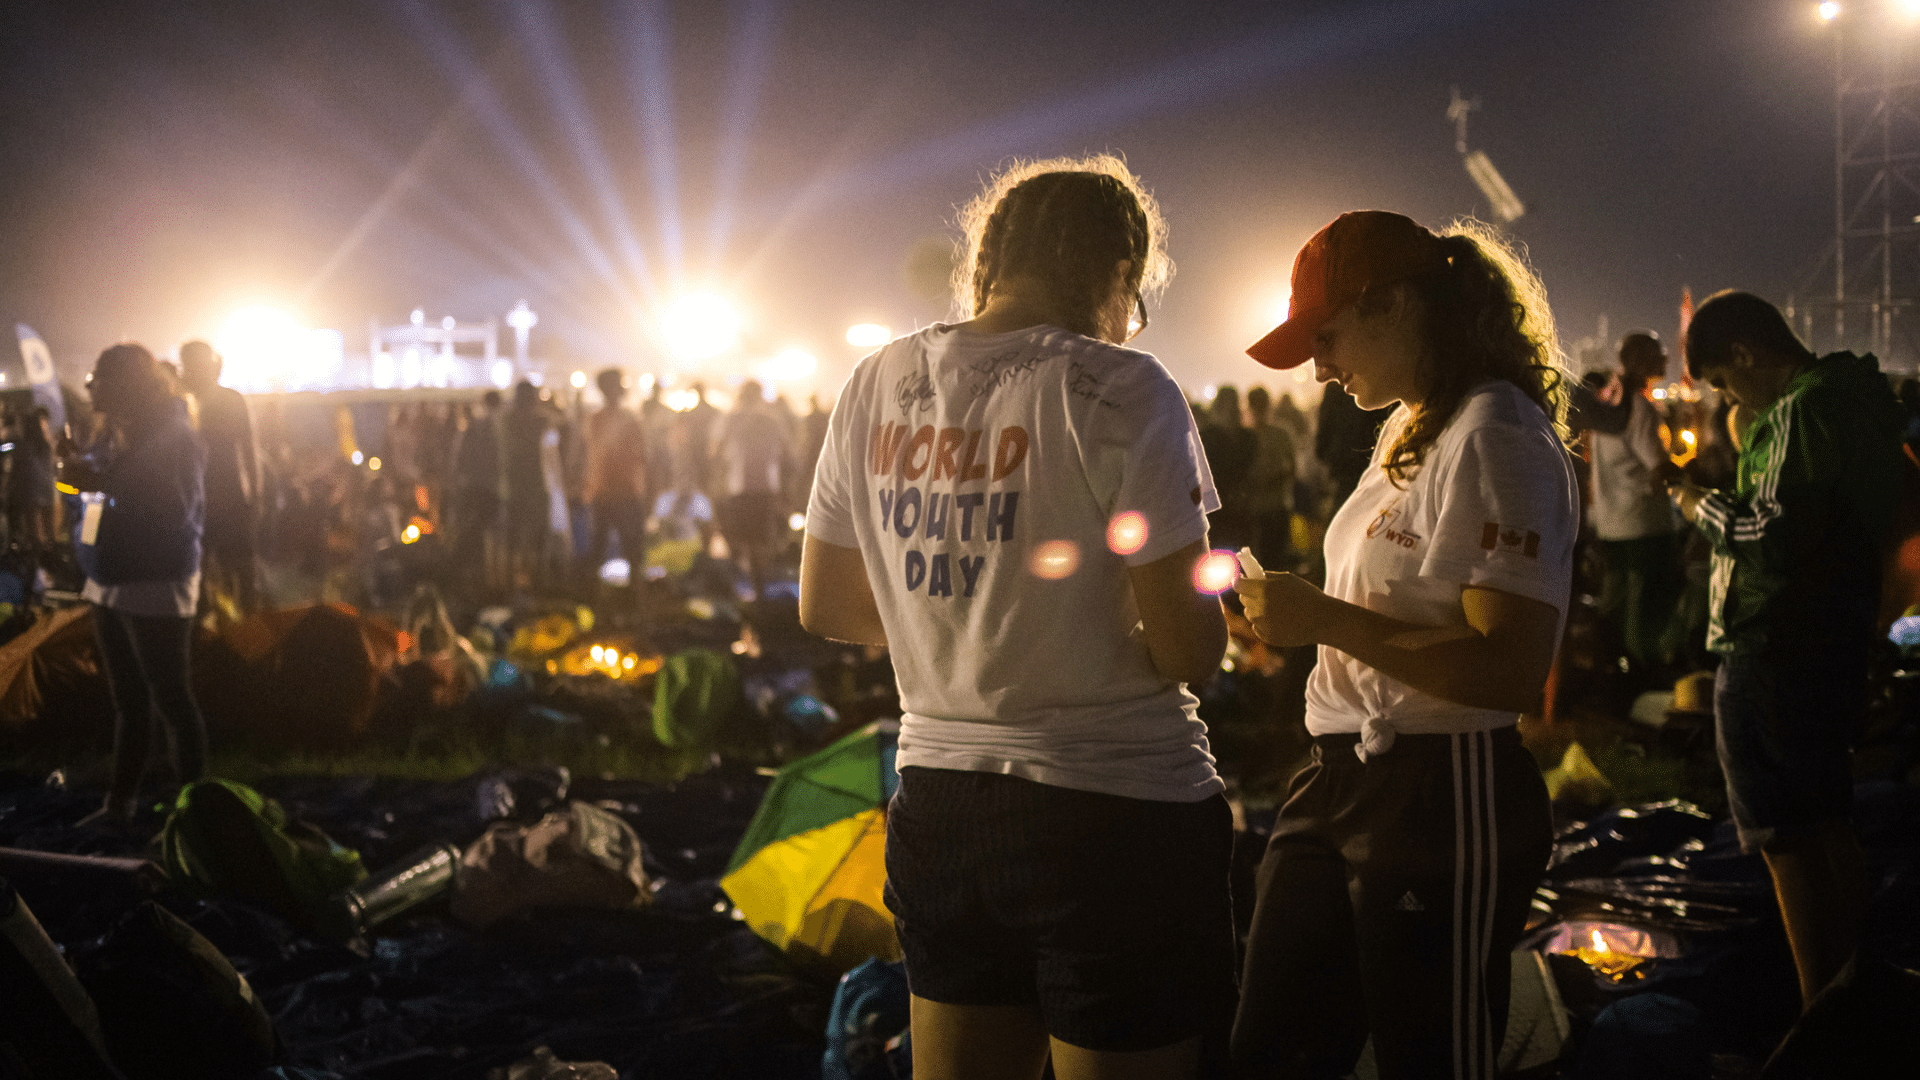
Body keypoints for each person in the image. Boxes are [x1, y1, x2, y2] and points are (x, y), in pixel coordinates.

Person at [800, 156, 1233, 1080]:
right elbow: (1189, 647)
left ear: (992, 258)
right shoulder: (1121, 387)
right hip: (1117, 809)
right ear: (1117, 271)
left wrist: (965, 619)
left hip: (941, 806)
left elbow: (827, 603)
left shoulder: (877, 378)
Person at [1231, 211, 1575, 1079]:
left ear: (1393, 306)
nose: (1318, 366)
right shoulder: (1414, 424)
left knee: (1431, 1055)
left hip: (1439, 789)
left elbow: (1508, 668)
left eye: (1328, 335)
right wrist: (1295, 622)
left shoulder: (1496, 434)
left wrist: (1325, 622)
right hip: (1337, 777)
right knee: (1271, 1044)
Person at [1669, 290, 1905, 1011]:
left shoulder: (1801, 410)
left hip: (1771, 645)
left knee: (1786, 843)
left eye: (1721, 379)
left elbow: (1768, 534)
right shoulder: (1857, 400)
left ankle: (1819, 1018)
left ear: (1743, 354)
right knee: (1829, 822)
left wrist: (1692, 501)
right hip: (1833, 639)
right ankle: (1855, 994)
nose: (1724, 397)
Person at [58, 344, 209, 826]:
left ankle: (196, 817)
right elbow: (93, 493)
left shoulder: (174, 436)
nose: (91, 387)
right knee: (128, 701)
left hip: (155, 581)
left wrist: (96, 485)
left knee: (170, 699)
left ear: (125, 385)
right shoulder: (116, 434)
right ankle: (119, 806)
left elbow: (165, 510)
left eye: (99, 377)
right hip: (108, 576)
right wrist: (73, 480)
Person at [1570, 332, 1683, 682]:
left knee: (1613, 603)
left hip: (1611, 522)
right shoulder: (1641, 409)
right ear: (1643, 362)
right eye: (1660, 355)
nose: (1667, 360)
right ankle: (1643, 675)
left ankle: (1605, 673)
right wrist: (1691, 470)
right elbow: (1658, 469)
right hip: (1643, 525)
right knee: (1644, 604)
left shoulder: (1608, 402)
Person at [180, 340, 262, 614]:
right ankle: (208, 629)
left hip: (227, 499)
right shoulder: (179, 403)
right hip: (196, 499)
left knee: (240, 569)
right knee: (198, 570)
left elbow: (249, 448)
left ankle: (247, 630)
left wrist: (255, 493)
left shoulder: (230, 400)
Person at [712, 379, 791, 599]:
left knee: (741, 540)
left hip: (739, 489)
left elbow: (716, 453)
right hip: (766, 489)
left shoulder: (731, 420)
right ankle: (759, 591)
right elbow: (788, 456)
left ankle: (748, 590)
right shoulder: (772, 422)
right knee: (760, 541)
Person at [583, 368, 651, 588]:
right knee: (631, 548)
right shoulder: (629, 421)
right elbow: (641, 457)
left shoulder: (595, 420)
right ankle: (634, 600)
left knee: (600, 547)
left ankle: (597, 599)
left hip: (604, 492)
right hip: (623, 492)